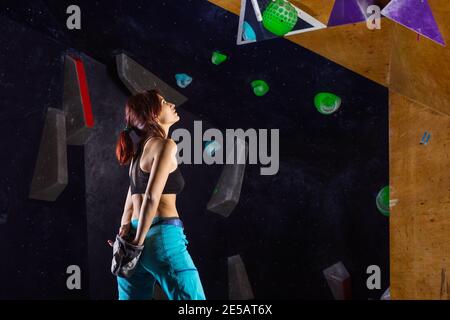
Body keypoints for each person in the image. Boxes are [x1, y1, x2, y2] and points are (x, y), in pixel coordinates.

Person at [111, 89, 206, 300]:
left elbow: (130, 203)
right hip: (161, 239)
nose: (171, 104)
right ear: (153, 114)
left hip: (132, 241)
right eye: (163, 102)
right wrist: (137, 242)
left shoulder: (138, 153)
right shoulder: (165, 145)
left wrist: (125, 237)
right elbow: (152, 198)